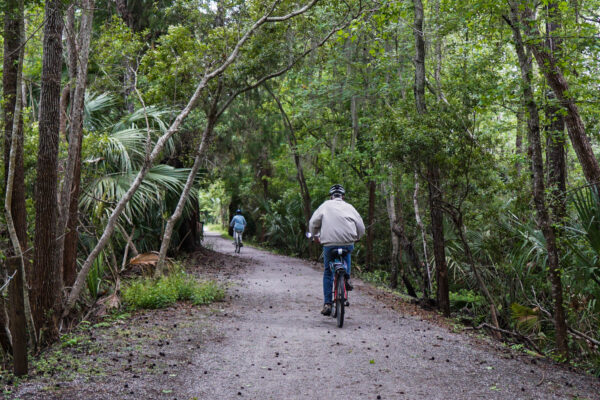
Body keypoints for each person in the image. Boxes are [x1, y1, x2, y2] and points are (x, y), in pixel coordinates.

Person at [309, 184, 365, 316]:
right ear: (343, 196)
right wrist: (357, 237)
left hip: (329, 244)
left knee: (328, 271)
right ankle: (347, 277)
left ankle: (327, 303)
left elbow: (313, 223)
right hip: (347, 242)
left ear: (331, 196)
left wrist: (315, 236)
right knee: (347, 253)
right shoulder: (349, 207)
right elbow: (361, 226)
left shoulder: (325, 205)